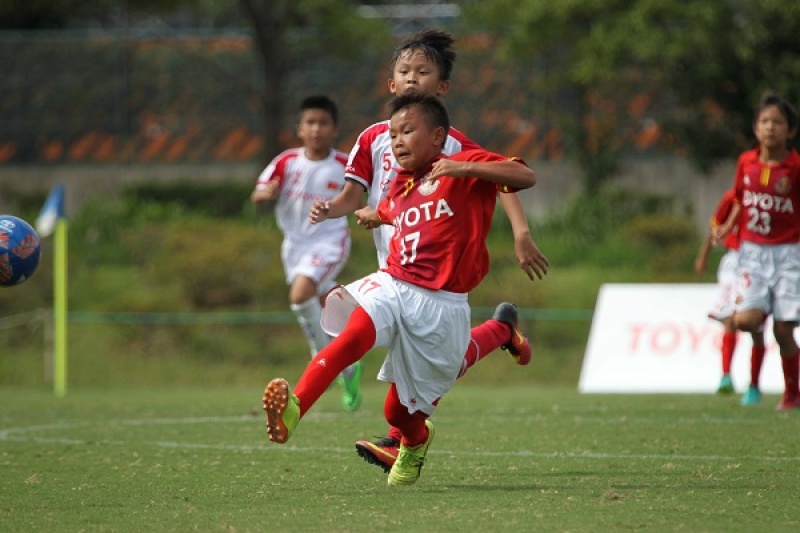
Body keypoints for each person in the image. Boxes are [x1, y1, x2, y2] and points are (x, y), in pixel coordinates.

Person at [262, 93, 538, 486]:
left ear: (439, 136)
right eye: (393, 135)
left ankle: (418, 438)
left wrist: (461, 170)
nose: (397, 141)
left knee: (400, 415)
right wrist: (372, 214)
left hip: (442, 305)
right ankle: (294, 408)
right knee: (351, 338)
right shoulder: (402, 185)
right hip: (394, 283)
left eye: (407, 132)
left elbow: (525, 177)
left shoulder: (466, 163)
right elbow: (386, 208)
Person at [309, 28, 549, 473]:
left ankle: (402, 438)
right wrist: (333, 210)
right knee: (424, 359)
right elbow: (353, 194)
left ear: (442, 87)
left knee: (430, 360)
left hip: (440, 271)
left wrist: (520, 233)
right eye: (404, 71)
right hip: (392, 264)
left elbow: (501, 176)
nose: (412, 78)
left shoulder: (450, 144)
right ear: (391, 84)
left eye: (423, 71)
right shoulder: (373, 138)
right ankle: (499, 333)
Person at [250, 95, 363, 412]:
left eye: (323, 123)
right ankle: (349, 367)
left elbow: (362, 195)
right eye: (310, 123)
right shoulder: (286, 161)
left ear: (334, 128)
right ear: (299, 129)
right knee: (322, 296)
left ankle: (321, 357)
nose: (316, 129)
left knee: (300, 294)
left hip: (329, 240)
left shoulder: (345, 164)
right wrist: (265, 194)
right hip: (294, 245)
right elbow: (258, 191)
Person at [714, 92, 800, 411]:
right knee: (747, 321)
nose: (770, 128)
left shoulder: (795, 168)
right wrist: (727, 227)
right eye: (764, 121)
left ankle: (792, 392)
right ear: (755, 128)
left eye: (778, 123)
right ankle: (760, 312)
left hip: (789, 255)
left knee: (783, 330)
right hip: (752, 252)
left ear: (790, 131)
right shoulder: (745, 162)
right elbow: (739, 198)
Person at [694, 188, 766, 405]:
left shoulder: (777, 196)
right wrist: (704, 253)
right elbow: (716, 224)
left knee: (756, 325)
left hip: (763, 262)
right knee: (728, 316)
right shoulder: (735, 195)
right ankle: (725, 376)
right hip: (734, 262)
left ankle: (754, 386)